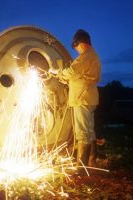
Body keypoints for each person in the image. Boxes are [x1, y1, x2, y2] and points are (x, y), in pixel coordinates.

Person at [50, 29, 101, 173]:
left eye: (76, 47)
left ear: (80, 43)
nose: (76, 50)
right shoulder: (92, 56)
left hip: (81, 99)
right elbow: (77, 76)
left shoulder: (86, 56)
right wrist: (64, 77)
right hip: (88, 98)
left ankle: (81, 168)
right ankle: (91, 160)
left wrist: (57, 72)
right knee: (89, 131)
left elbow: (72, 71)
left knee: (82, 133)